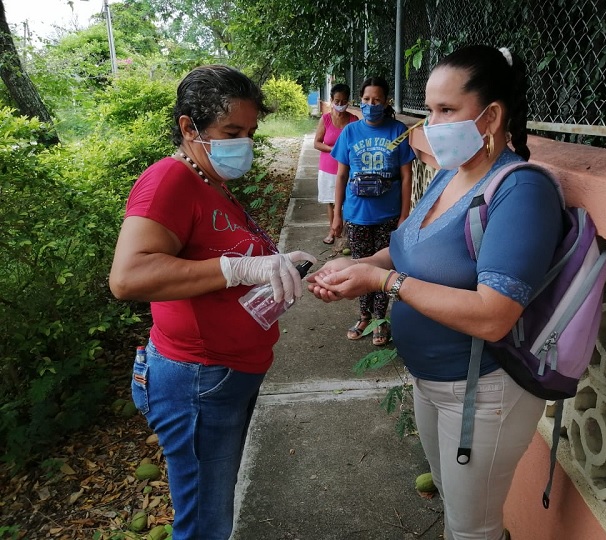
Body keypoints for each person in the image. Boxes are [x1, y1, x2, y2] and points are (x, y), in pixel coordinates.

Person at [307, 45, 564, 540]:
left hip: (481, 390)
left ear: (491, 116)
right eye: (429, 109)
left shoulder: (520, 191)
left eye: (447, 110)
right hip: (432, 382)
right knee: (452, 502)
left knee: (471, 530)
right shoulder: (451, 172)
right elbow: (408, 249)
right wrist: (360, 266)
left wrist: (383, 283)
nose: (431, 124)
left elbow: (493, 316)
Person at [108, 65, 316, 540]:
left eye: (250, 133)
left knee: (215, 506)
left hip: (227, 375)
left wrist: (277, 264)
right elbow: (128, 276)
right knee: (206, 524)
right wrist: (238, 269)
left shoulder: (210, 179)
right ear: (189, 127)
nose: (244, 143)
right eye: (232, 132)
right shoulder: (168, 179)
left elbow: (213, 251)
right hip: (196, 379)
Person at [330, 76, 415, 346]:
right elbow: (341, 176)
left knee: (384, 270)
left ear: (386, 102)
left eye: (377, 100)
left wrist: (404, 215)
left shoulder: (398, 130)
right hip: (357, 214)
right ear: (360, 100)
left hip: (388, 214)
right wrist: (337, 214)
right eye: (366, 99)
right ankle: (363, 316)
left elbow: (407, 177)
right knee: (360, 266)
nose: (371, 104)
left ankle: (380, 320)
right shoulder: (350, 132)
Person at [314, 83, 359, 245]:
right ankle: (332, 231)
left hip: (348, 169)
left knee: (348, 201)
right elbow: (317, 143)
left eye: (344, 101)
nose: (340, 104)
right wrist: (333, 149)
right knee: (331, 202)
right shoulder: (325, 119)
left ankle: (346, 233)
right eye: (337, 101)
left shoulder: (353, 120)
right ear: (331, 100)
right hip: (328, 168)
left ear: (348, 101)